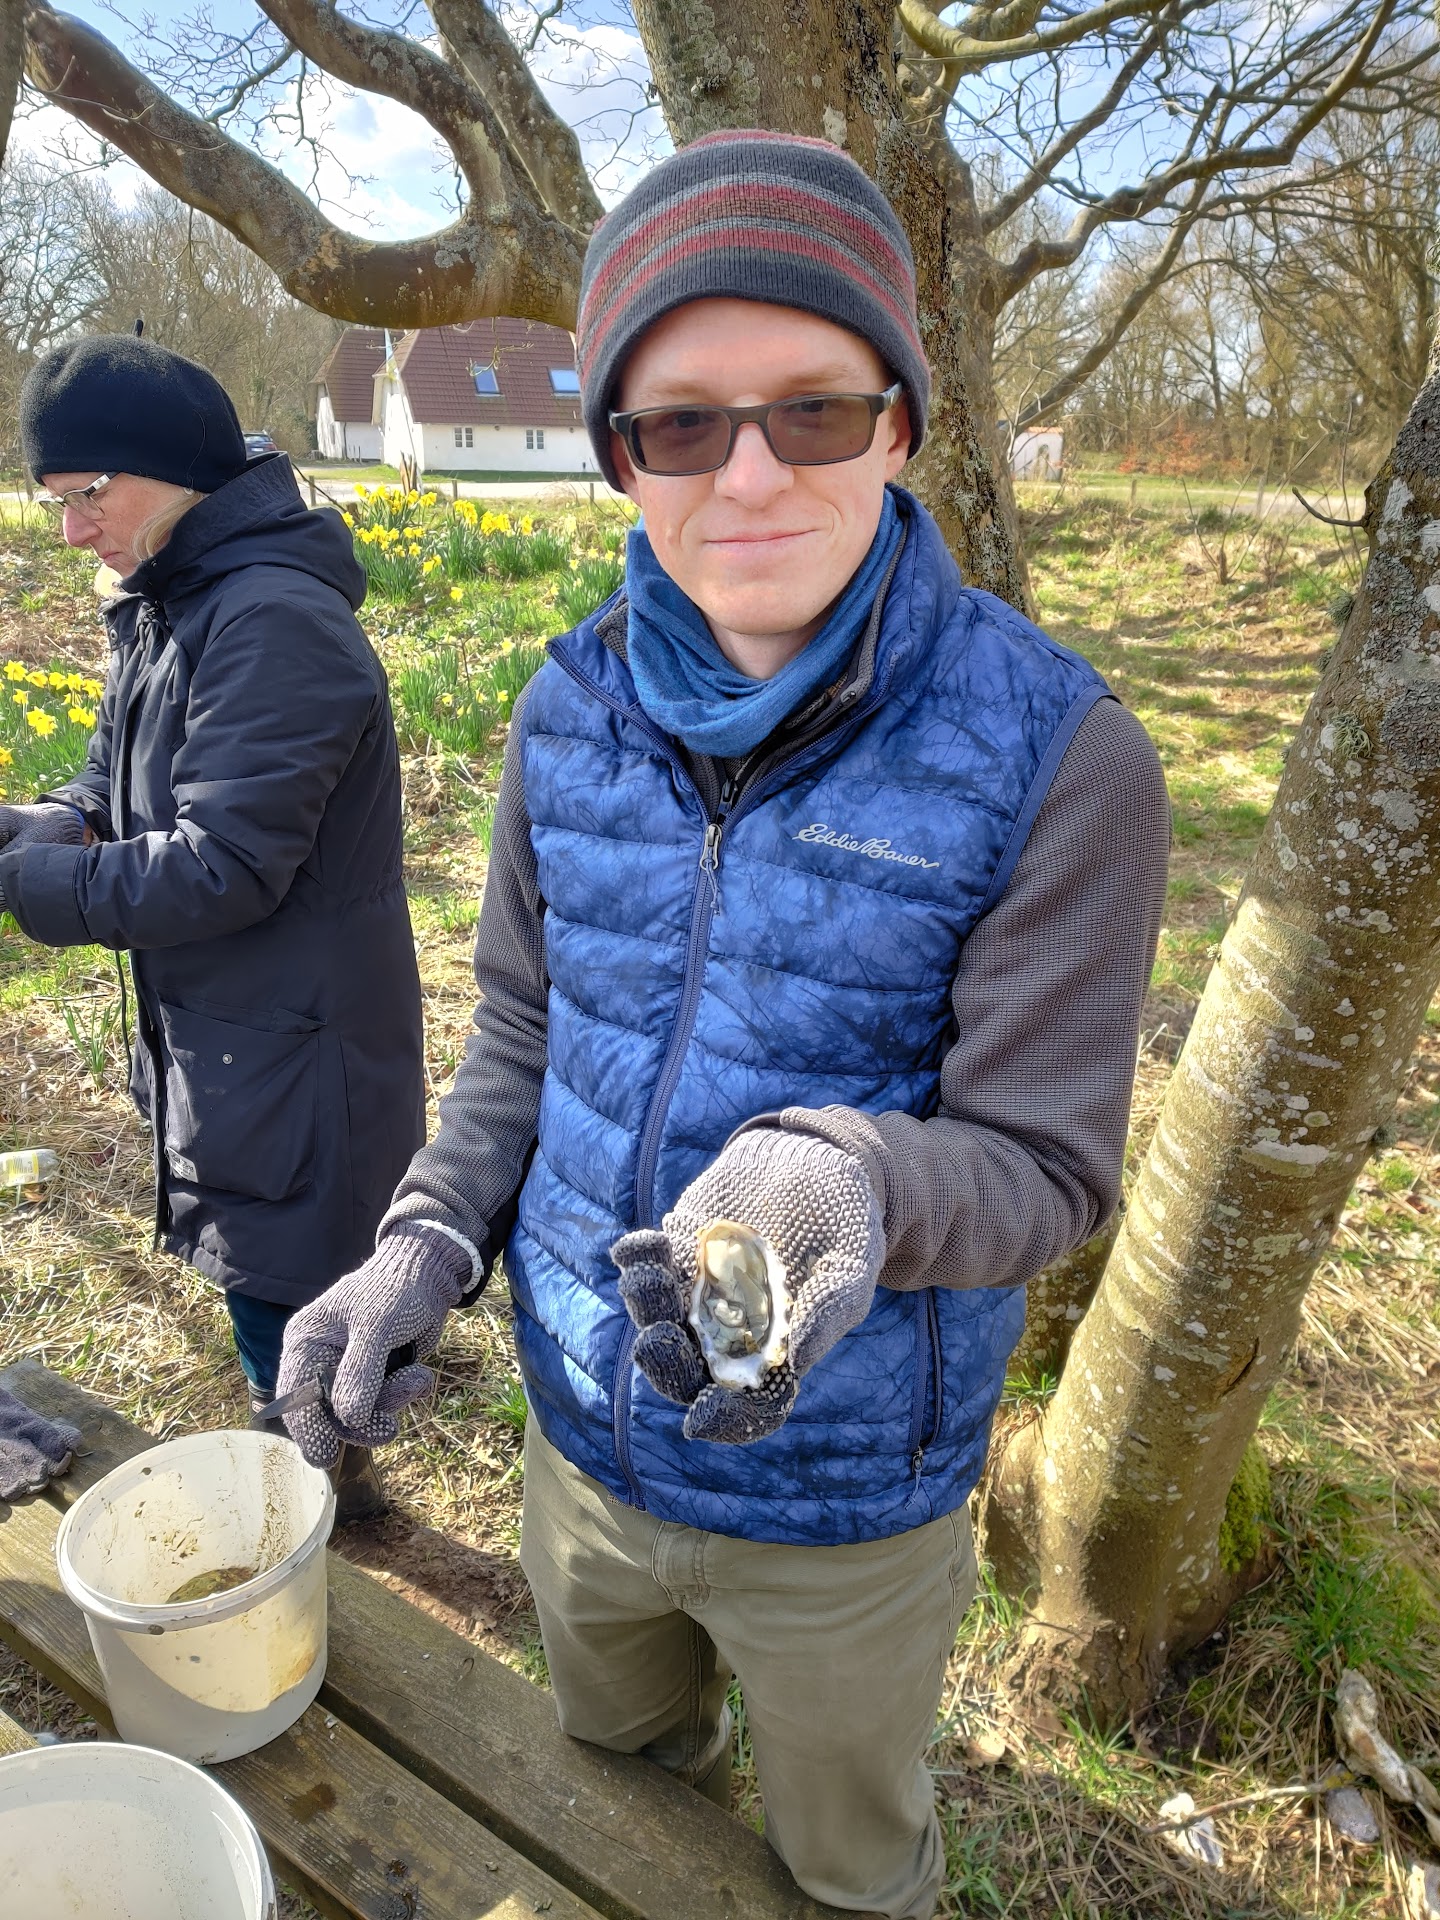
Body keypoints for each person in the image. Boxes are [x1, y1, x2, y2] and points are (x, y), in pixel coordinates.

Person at [275, 132, 1170, 1915]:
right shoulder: (564, 710)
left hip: (845, 1498)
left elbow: (1051, 1167)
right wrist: (426, 1239)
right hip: (581, 1445)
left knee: (848, 1871)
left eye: (813, 412)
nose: (748, 475)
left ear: (901, 424)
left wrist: (852, 1180)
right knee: (615, 1810)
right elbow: (521, 1037)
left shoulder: (1064, 757)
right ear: (620, 456)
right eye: (681, 426)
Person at [0, 335, 425, 1520]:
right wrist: (35, 828)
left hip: (302, 1049)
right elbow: (108, 787)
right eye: (55, 502)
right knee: (266, 1285)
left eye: (88, 495)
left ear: (173, 469)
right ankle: (313, 1474)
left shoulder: (271, 621)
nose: (72, 530)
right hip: (235, 1037)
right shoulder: (170, 598)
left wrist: (20, 887)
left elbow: (221, 867)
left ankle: (330, 1514)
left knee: (298, 1297)